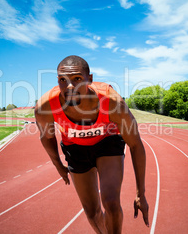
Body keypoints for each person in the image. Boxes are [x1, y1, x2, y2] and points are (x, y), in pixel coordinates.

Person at [35, 55, 149, 233]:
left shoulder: (112, 102)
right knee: (92, 212)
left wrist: (140, 193)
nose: (70, 86)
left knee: (111, 202)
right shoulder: (45, 107)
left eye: (77, 79)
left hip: (107, 141)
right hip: (75, 148)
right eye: (63, 80)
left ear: (90, 79)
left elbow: (135, 145)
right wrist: (58, 165)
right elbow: (47, 137)